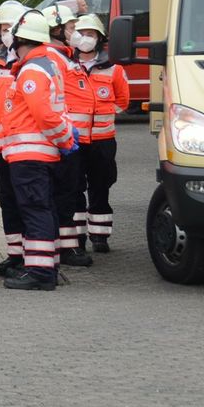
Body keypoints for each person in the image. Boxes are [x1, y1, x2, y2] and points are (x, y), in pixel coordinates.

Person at [0, 10, 78, 291]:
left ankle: (40, 273)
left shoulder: (32, 70)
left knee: (35, 209)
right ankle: (45, 264)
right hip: (37, 153)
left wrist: (64, 138)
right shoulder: (45, 65)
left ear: (22, 41)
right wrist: (65, 138)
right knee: (42, 208)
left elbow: (44, 115)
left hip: (30, 154)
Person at [72, 14, 129, 253]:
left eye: (91, 34)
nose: (86, 39)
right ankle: (76, 238)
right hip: (74, 142)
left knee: (100, 187)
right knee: (73, 189)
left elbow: (123, 101)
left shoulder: (114, 68)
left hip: (102, 141)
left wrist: (103, 115)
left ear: (100, 38)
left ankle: (100, 236)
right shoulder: (66, 66)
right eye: (82, 34)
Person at [43, 4, 94, 268]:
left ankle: (69, 246)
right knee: (65, 195)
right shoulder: (54, 58)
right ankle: (66, 249)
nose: (76, 33)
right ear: (57, 30)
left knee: (71, 193)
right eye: (72, 28)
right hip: (64, 140)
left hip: (73, 139)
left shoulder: (64, 56)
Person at [0, 1, 30, 277]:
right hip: (3, 147)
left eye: (9, 28)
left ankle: (32, 258)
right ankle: (15, 255)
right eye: (1, 28)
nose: (5, 33)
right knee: (8, 201)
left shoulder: (30, 63)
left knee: (29, 202)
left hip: (26, 147)